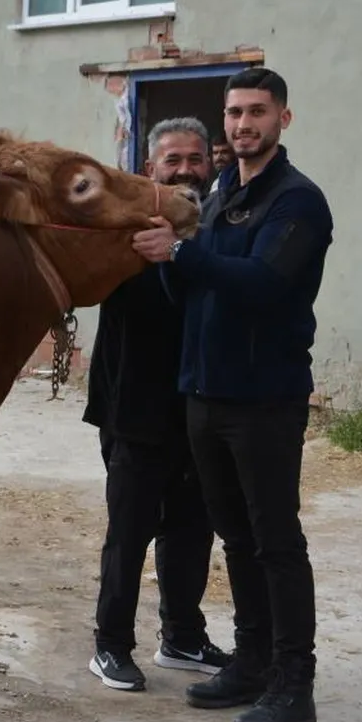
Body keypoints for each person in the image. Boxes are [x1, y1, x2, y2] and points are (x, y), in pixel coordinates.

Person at [132, 67, 333, 722]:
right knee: (237, 537)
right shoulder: (219, 194)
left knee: (276, 541)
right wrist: (166, 261)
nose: (243, 125)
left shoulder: (299, 203)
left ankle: (292, 683)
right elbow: (192, 290)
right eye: (235, 113)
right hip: (205, 393)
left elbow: (264, 285)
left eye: (256, 112)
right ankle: (249, 663)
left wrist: (182, 253)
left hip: (264, 400)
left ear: (283, 118)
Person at [83, 117, 230, 691]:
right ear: (152, 170)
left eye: (195, 158)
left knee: (193, 529)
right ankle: (110, 646)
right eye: (173, 160)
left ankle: (183, 637)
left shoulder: (215, 226)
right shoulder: (126, 230)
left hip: (197, 407)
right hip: (133, 409)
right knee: (130, 532)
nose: (186, 169)